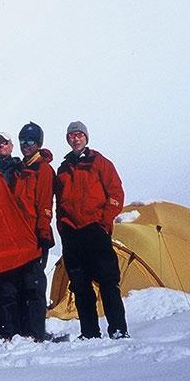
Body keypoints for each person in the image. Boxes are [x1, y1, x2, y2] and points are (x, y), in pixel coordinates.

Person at [55, 121, 128, 339]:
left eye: (79, 135)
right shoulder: (64, 168)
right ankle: (89, 332)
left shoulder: (100, 162)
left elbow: (116, 192)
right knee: (80, 285)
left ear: (86, 138)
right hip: (72, 233)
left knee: (107, 281)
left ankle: (118, 329)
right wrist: (62, 226)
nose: (75, 139)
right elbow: (60, 202)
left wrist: (104, 222)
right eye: (71, 136)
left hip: (95, 229)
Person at [0, 122, 55, 341]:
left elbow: (44, 203)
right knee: (14, 286)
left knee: (34, 287)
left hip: (33, 236)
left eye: (30, 140)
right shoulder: (20, 169)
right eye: (22, 141)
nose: (26, 145)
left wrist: (43, 233)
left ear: (38, 143)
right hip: (17, 237)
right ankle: (16, 332)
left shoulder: (43, 170)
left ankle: (36, 333)